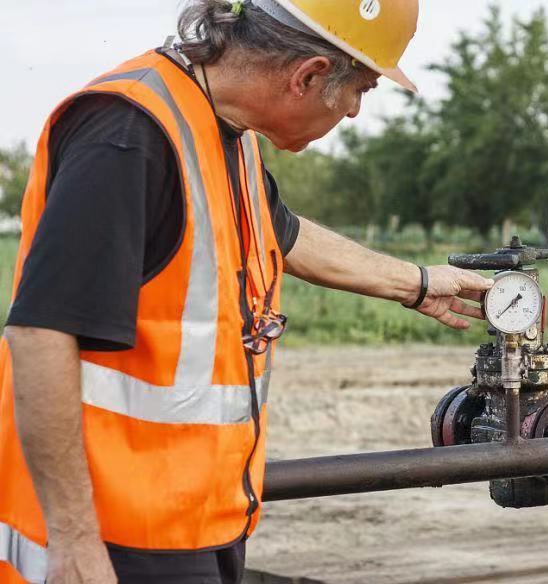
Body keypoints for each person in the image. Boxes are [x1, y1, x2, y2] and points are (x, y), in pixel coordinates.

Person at [0, 1, 493, 583]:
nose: (357, 112)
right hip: (114, 540)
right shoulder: (129, 134)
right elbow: (40, 333)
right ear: (307, 75)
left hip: (197, 522)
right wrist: (74, 541)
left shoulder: (225, 131)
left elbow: (285, 233)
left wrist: (419, 283)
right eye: (360, 89)